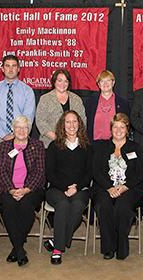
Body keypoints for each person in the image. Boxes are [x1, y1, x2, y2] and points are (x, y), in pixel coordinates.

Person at [92, 113, 143, 260]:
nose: (118, 130)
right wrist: (109, 187)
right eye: (115, 126)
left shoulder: (135, 147)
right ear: (111, 129)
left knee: (122, 207)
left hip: (130, 188)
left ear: (127, 129)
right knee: (104, 206)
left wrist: (124, 186)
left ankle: (121, 246)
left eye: (122, 127)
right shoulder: (102, 147)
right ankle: (109, 248)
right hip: (105, 187)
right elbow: (96, 171)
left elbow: (140, 172)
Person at [0, 115, 46, 267]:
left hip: (31, 189)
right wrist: (11, 190)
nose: (22, 130)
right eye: (18, 127)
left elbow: (40, 171)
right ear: (13, 129)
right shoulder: (5, 146)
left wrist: (25, 190)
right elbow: (1, 170)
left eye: (25, 127)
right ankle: (19, 249)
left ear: (29, 129)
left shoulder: (37, 145)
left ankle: (16, 249)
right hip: (7, 188)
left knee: (26, 207)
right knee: (8, 207)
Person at [44, 110, 92, 265]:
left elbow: (89, 173)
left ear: (79, 124)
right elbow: (49, 173)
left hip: (80, 189)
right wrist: (65, 188)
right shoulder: (54, 146)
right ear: (62, 125)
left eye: (74, 121)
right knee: (63, 204)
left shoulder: (87, 146)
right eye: (68, 122)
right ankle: (58, 249)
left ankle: (58, 241)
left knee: (77, 205)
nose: (71, 125)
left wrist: (76, 188)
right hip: (57, 189)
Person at [0, 54, 35, 189]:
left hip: (21, 139)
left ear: (18, 69)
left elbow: (28, 117)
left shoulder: (27, 91)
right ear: (2, 69)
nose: (10, 69)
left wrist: (16, 135)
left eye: (14, 66)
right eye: (7, 66)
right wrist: (4, 135)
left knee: (21, 174)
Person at [36, 69, 86, 148]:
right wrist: (57, 138)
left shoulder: (76, 99)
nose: (63, 84)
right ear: (54, 81)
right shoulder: (45, 99)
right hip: (50, 143)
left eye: (66, 81)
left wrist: (71, 139)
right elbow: (40, 121)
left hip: (73, 144)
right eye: (60, 80)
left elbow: (82, 120)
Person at [85, 70, 129, 142]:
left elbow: (127, 126)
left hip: (116, 145)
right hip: (95, 145)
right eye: (102, 81)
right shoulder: (90, 103)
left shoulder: (123, 103)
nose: (105, 83)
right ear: (98, 84)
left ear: (113, 82)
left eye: (108, 80)